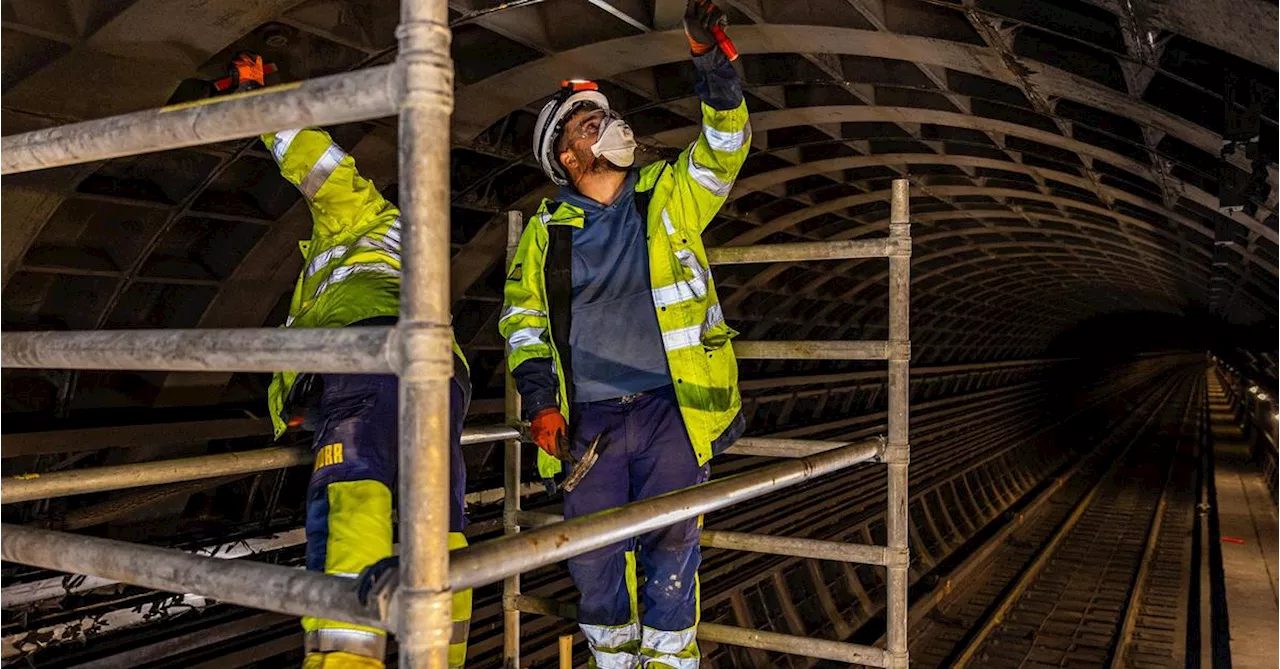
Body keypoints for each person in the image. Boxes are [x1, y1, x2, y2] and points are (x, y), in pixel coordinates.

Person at [499, 2, 749, 666]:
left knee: (673, 550)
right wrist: (541, 399)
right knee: (594, 560)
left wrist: (712, 67)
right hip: (591, 425)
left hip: (671, 410)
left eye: (606, 116)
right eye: (590, 123)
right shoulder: (545, 232)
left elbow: (725, 149)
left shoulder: (667, 194)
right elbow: (524, 323)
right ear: (567, 152)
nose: (609, 126)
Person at [223, 55, 473, 669]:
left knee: (354, 507)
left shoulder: (364, 218)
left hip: (371, 360)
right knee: (435, 529)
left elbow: (319, 164)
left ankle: (345, 662)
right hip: (435, 376)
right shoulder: (411, 260)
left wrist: (260, 102)